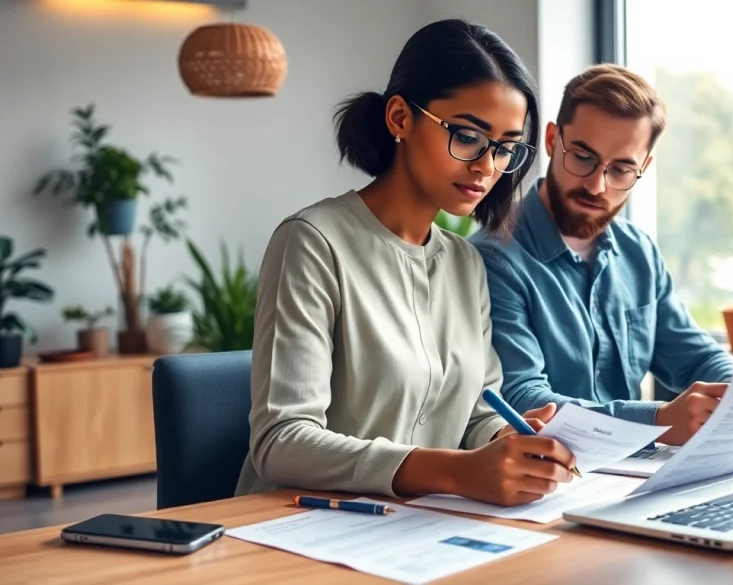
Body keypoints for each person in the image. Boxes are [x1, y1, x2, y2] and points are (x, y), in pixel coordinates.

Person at [234, 18, 577, 507]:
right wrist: (455, 472)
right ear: (400, 118)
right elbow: (282, 441)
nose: (486, 166)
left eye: (504, 148)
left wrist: (506, 440)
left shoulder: (465, 262)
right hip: (293, 526)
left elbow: (478, 412)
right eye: (467, 135)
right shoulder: (312, 242)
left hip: (411, 526)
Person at [469, 64, 733, 447]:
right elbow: (525, 400)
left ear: (643, 167)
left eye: (622, 169)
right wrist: (656, 421)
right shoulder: (494, 259)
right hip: (548, 482)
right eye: (582, 156)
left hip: (635, 478)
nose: (597, 185)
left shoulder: (638, 252)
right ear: (551, 140)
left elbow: (696, 357)